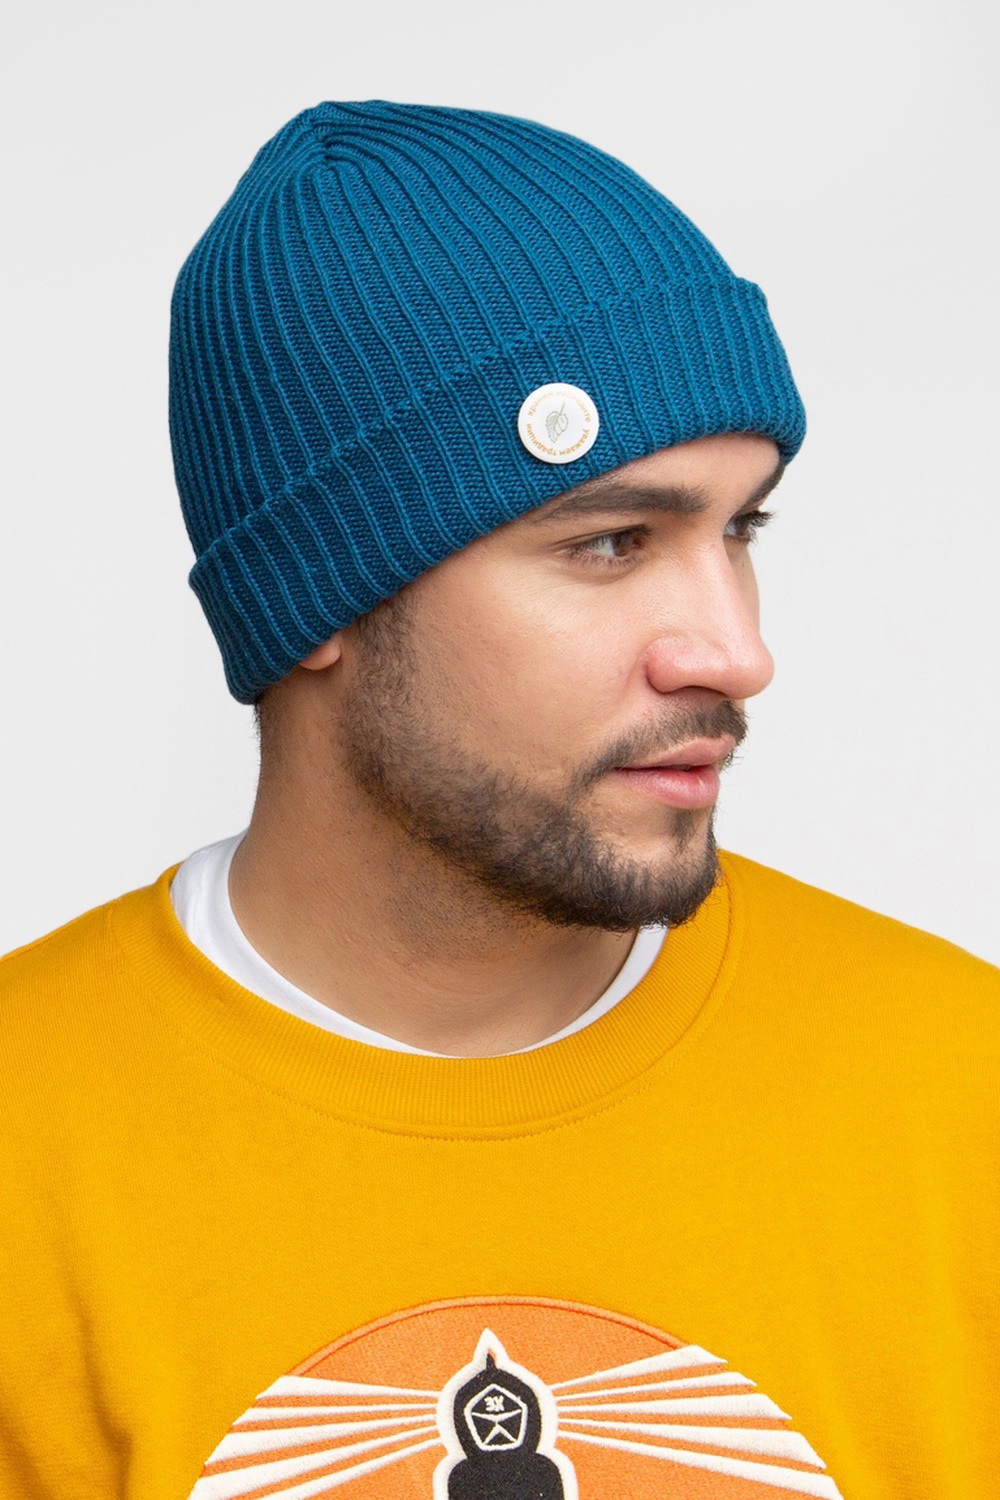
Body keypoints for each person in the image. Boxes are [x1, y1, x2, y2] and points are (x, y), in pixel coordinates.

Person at [1, 100, 996, 1500]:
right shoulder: (30, 1144)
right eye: (611, 542)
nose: (736, 651)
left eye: (740, 530)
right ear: (318, 598)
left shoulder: (961, 1095)